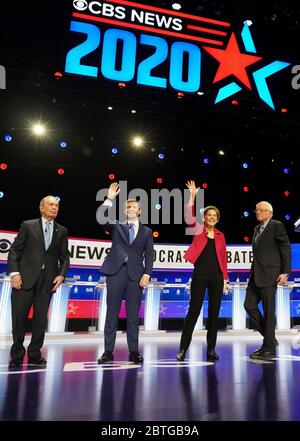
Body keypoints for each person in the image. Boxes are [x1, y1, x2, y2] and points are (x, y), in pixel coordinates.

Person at [7, 196, 70, 367]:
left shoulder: (62, 231)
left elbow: (65, 257)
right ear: (41, 208)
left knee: (40, 320)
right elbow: (14, 251)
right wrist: (14, 274)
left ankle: (34, 354)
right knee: (19, 318)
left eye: (56, 205)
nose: (54, 207)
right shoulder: (28, 225)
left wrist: (62, 275)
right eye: (51, 205)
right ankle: (17, 355)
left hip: (47, 280)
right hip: (24, 278)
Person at [97, 182, 154, 364]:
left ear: (139, 211)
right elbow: (100, 218)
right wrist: (110, 199)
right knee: (111, 313)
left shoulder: (147, 232)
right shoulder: (116, 226)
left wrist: (147, 274)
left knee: (133, 315)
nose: (130, 208)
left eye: (134, 207)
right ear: (124, 211)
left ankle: (134, 351)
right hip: (115, 272)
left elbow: (149, 255)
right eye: (127, 206)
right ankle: (108, 352)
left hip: (135, 275)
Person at [177, 180, 228, 362]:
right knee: (193, 312)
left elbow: (223, 260)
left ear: (217, 218)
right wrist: (193, 196)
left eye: (215, 215)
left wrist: (225, 280)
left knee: (214, 314)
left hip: (217, 277)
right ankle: (183, 349)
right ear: (204, 218)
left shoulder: (221, 236)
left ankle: (211, 350)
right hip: (200, 275)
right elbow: (188, 215)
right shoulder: (198, 230)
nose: (212, 217)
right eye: (209, 215)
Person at [244, 201, 291, 360]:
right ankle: (270, 340)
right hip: (255, 275)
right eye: (256, 210)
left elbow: (285, 248)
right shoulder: (256, 229)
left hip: (271, 275)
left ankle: (269, 348)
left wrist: (285, 272)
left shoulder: (277, 226)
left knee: (269, 311)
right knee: (248, 305)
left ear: (269, 213)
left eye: (261, 210)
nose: (257, 212)